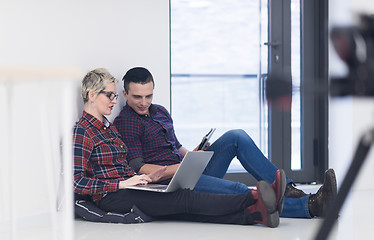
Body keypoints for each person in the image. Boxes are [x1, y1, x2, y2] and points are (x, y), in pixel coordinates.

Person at [73, 68, 287, 228]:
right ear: (91, 95)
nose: (113, 100)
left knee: (183, 209)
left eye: (114, 95)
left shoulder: (107, 128)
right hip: (112, 195)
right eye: (108, 95)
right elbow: (77, 182)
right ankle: (255, 198)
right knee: (183, 199)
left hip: (132, 185)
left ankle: (255, 214)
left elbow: (125, 165)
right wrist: (123, 183)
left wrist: (150, 178)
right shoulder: (83, 131)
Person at [113, 66, 337, 219]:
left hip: (188, 169)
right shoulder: (126, 122)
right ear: (125, 93)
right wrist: (182, 168)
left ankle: (288, 190)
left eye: (148, 96)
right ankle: (311, 206)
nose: (144, 102)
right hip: (173, 183)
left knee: (236, 136)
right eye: (137, 97)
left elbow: (176, 147)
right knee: (240, 189)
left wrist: (194, 154)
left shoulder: (160, 111)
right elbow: (140, 169)